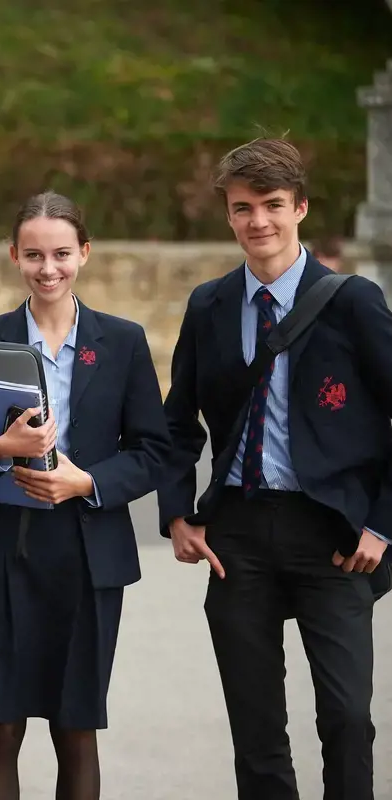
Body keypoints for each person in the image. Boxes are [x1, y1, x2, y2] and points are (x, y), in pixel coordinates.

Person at [159, 138, 392, 800]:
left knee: (346, 718)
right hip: (236, 532)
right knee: (256, 729)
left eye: (271, 205)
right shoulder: (208, 304)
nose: (257, 221)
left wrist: (380, 524)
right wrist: (176, 511)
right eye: (241, 208)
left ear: (300, 209)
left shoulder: (351, 301)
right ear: (227, 216)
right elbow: (177, 420)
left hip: (333, 535)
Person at [0, 191, 170, 800]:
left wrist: (88, 481)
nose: (48, 268)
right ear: (14, 256)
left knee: (75, 727)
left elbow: (153, 450)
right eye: (33, 254)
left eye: (62, 253)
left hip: (86, 554)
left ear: (84, 253)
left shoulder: (122, 341)